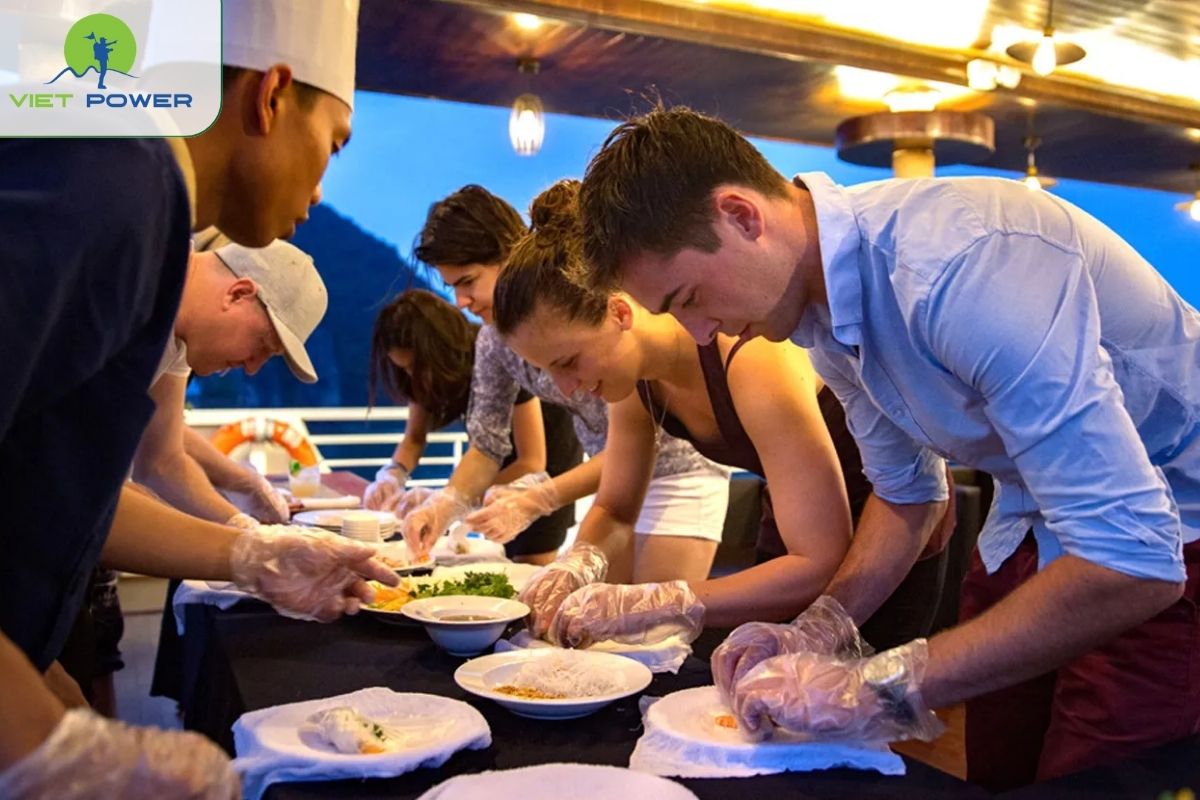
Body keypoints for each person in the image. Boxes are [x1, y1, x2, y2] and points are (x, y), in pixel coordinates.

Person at [575, 105, 1200, 786]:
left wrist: (871, 686)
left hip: (1173, 525)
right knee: (996, 766)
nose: (700, 334)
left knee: (1093, 777)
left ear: (743, 215)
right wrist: (818, 628)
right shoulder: (816, 310)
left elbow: (1134, 557)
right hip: (1030, 516)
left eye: (690, 296)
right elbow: (909, 493)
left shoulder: (960, 263)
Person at [0, 2, 395, 796]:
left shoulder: (136, 186)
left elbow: (70, 492)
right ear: (270, 95)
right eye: (334, 144)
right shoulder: (117, 179)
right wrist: (40, 744)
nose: (319, 194)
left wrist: (251, 556)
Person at [492, 179, 953, 648]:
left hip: (890, 522)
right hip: (798, 527)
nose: (567, 390)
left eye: (568, 363)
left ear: (619, 313)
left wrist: (661, 601)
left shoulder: (750, 356)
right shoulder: (633, 379)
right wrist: (575, 565)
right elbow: (614, 510)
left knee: (849, 704)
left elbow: (819, 559)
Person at [400, 185, 730, 585]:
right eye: (452, 286)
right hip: (611, 487)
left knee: (652, 628)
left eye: (468, 281)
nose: (460, 302)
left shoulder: (602, 317)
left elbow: (641, 441)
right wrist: (444, 504)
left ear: (510, 253)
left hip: (680, 470)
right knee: (599, 623)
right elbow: (487, 446)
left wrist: (541, 498)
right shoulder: (493, 341)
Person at [365, 289, 583, 565]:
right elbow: (415, 438)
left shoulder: (498, 355)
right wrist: (392, 475)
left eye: (415, 367)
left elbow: (532, 462)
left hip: (548, 464)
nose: (412, 377)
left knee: (528, 566)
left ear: (437, 351)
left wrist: (451, 500)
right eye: (404, 369)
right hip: (489, 469)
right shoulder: (423, 374)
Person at [134, 239, 327, 528]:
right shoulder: (138, 276)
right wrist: (242, 548)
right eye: (262, 345)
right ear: (238, 294)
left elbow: (162, 457)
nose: (252, 368)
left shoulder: (182, 334)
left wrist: (243, 524)